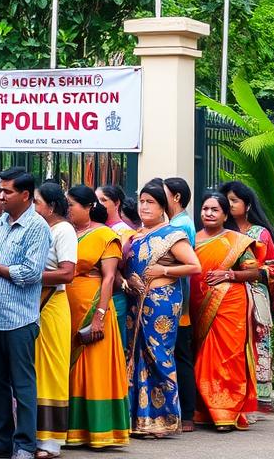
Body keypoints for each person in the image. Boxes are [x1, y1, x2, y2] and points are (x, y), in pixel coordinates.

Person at [0, 167, 52, 459]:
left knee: (22, 385)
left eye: (7, 192)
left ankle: (24, 444)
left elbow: (31, 272)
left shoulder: (37, 227)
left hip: (19, 319)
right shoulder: (0, 222)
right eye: (1, 191)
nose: (1, 196)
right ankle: (0, 440)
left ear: (25, 195)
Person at [123, 181, 201, 438]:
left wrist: (164, 270)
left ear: (162, 207)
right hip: (136, 301)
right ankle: (140, 419)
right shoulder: (136, 235)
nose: (144, 206)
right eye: (142, 201)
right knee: (135, 356)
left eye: (151, 202)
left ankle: (164, 419)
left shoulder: (171, 235)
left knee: (158, 357)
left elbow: (194, 266)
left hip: (161, 302)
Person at [63, 185, 129, 448]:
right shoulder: (64, 233)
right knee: (70, 369)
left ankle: (100, 431)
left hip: (94, 308)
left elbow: (110, 278)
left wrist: (100, 315)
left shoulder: (105, 235)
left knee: (94, 370)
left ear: (88, 206)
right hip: (66, 308)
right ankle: (71, 428)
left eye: (71, 205)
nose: (67, 209)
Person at [191, 191, 261, 431]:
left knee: (228, 357)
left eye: (214, 210)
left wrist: (229, 274)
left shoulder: (236, 241)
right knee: (201, 358)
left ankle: (226, 412)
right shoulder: (192, 238)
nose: (208, 214)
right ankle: (204, 410)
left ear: (224, 214)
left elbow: (254, 272)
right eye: (205, 209)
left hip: (230, 305)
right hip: (198, 305)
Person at [220, 180, 274, 417]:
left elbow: (273, 269)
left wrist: (250, 274)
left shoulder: (260, 233)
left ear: (247, 205)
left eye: (234, 200)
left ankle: (252, 403)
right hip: (226, 300)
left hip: (255, 298)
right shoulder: (221, 233)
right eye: (227, 200)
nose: (229, 204)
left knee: (255, 348)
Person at [32, 183, 75, 459]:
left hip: (52, 304)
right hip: (32, 305)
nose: (34, 207)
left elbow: (67, 273)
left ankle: (51, 441)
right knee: (33, 370)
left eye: (37, 202)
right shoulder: (37, 229)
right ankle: (32, 433)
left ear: (51, 206)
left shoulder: (63, 230)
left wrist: (24, 274)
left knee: (51, 370)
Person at [162, 177, 198, 432]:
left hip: (177, 302)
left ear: (175, 197)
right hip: (176, 301)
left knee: (181, 357)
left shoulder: (181, 225)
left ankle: (186, 414)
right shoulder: (176, 222)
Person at [96, 184, 136, 347]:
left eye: (103, 200)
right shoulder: (94, 228)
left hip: (115, 296)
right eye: (95, 200)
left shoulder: (125, 233)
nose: (98, 204)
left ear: (117, 203)